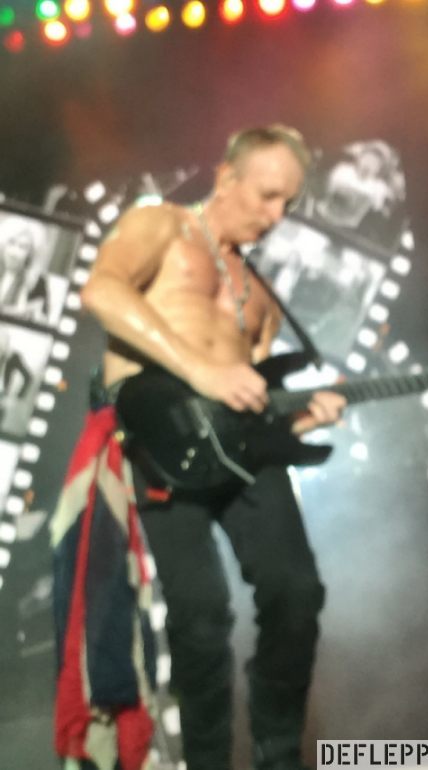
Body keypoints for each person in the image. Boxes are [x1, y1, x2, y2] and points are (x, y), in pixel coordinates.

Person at [52, 125, 346, 770]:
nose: (277, 215)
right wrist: (202, 370)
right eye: (267, 195)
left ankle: (277, 751)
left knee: (298, 592)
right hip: (162, 444)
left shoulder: (262, 296)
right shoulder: (161, 225)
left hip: (242, 455)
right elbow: (102, 290)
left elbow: (255, 406)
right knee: (201, 615)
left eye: (289, 202)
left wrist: (304, 419)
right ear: (226, 177)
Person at [0, 215, 51, 323]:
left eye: (23, 247)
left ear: (31, 253)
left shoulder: (38, 282)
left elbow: (44, 322)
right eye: (11, 243)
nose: (14, 252)